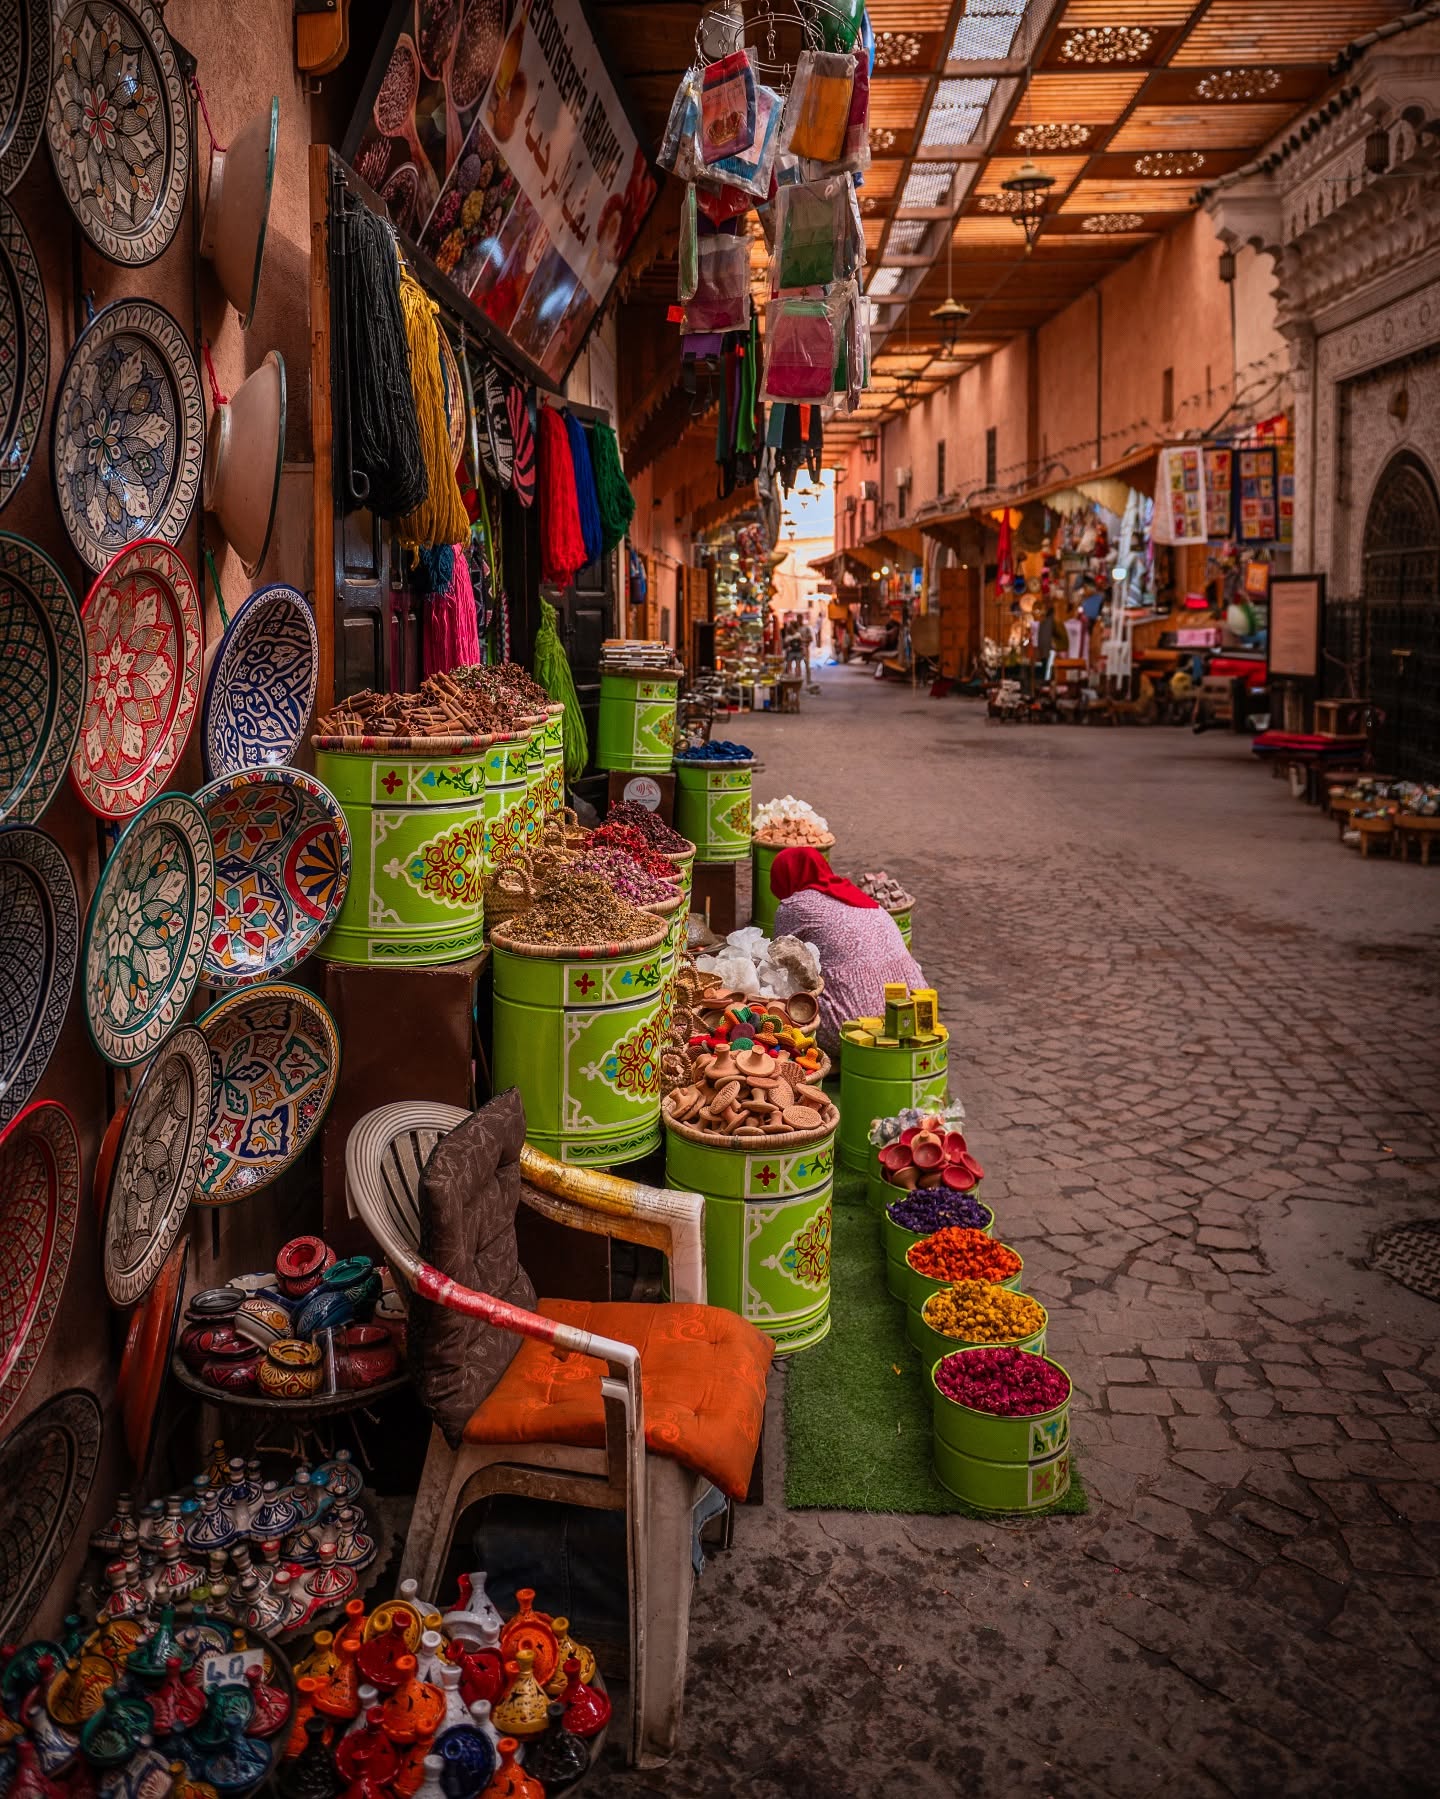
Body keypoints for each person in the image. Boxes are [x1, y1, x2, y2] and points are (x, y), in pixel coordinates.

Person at [769, 847, 925, 1057]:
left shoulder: (793, 906)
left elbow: (778, 959)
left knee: (778, 995)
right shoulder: (857, 897)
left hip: (851, 1029)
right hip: (916, 1015)